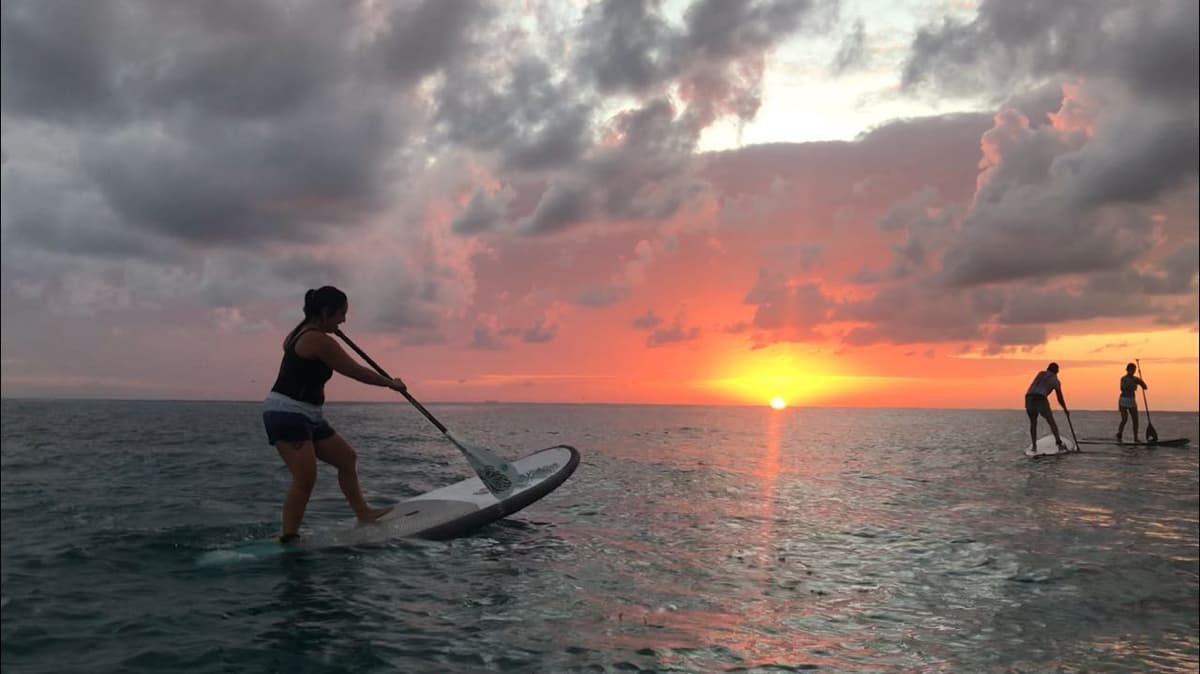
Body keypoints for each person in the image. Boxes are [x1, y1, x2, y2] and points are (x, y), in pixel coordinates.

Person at [263, 286, 406, 543]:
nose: (344, 321)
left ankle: (363, 513)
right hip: (287, 414)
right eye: (341, 314)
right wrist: (390, 383)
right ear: (326, 312)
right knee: (305, 478)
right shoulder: (318, 340)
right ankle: (289, 537)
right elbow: (356, 371)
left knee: (346, 458)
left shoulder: (299, 332)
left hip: (309, 413)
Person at [1025, 362, 1069, 451]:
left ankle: (1034, 446)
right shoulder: (1055, 381)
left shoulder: (1040, 373)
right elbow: (1059, 398)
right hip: (1040, 398)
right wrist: (1065, 409)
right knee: (1051, 421)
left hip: (1029, 397)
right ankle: (1059, 443)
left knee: (1033, 423)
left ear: (1048, 369)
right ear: (1057, 371)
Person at [1116, 363, 1148, 443]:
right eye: (1131, 370)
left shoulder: (1135, 379)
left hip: (1131, 400)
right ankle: (1119, 433)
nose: (1133, 371)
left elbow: (1145, 387)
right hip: (1123, 400)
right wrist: (1134, 382)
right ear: (1127, 370)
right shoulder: (1123, 378)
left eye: (1134, 370)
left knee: (1135, 420)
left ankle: (1136, 438)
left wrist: (1141, 382)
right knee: (1124, 419)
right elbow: (1123, 388)